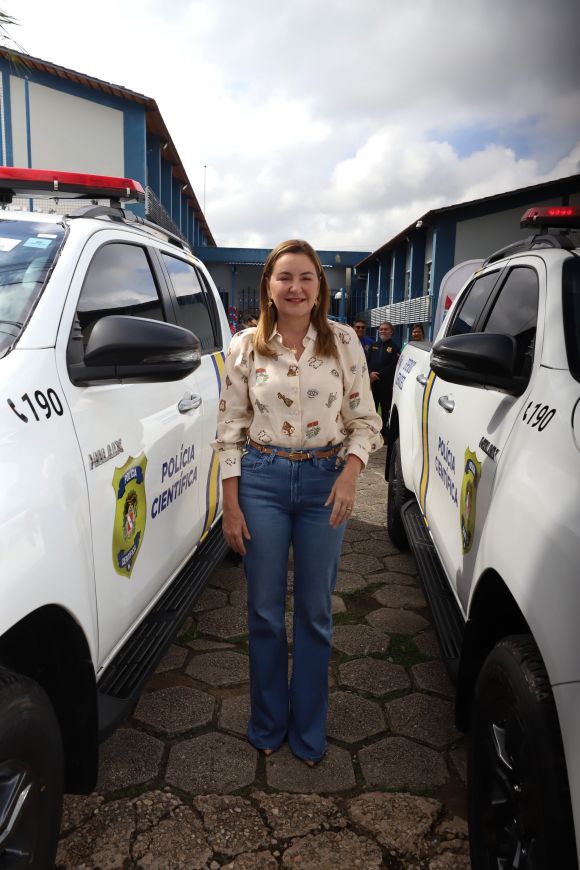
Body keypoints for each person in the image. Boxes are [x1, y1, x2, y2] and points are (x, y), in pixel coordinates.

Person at [212, 239, 382, 765]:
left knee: (314, 612)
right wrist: (231, 504)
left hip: (324, 484)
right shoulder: (246, 347)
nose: (295, 287)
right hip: (261, 481)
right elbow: (230, 426)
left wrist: (351, 475)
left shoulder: (343, 342)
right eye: (284, 277)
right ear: (268, 285)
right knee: (264, 612)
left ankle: (308, 729)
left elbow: (365, 420)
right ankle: (267, 722)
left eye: (306, 277)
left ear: (319, 287)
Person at [367, 321, 399, 436]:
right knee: (371, 410)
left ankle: (384, 434)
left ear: (391, 332)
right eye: (381, 329)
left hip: (386, 385)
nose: (383, 331)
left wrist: (378, 375)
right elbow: (366, 362)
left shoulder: (395, 348)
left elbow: (393, 366)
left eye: (386, 329)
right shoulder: (373, 346)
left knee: (385, 411)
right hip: (373, 384)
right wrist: (370, 373)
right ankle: (371, 432)